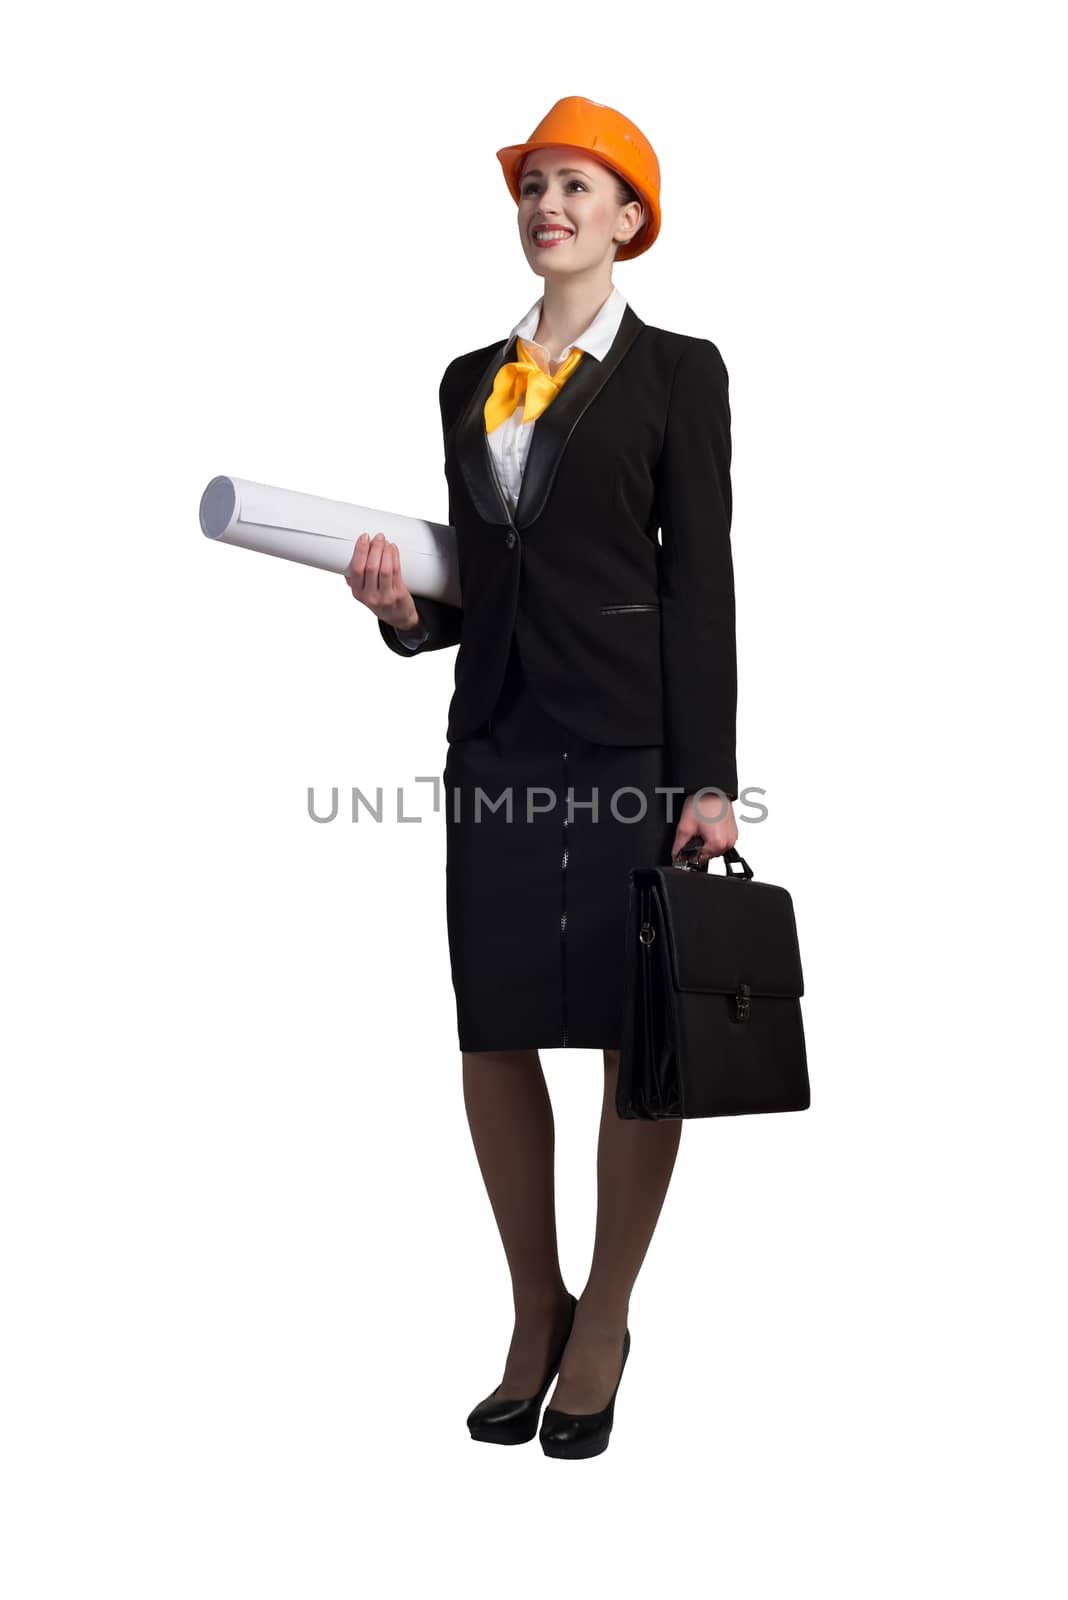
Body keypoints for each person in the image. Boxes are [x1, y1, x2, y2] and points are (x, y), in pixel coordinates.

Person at [344, 96, 738, 1460]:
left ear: (630, 219)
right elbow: (479, 582)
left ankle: (607, 1315)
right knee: (493, 1024)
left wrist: (708, 781)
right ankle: (534, 1307)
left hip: (630, 740)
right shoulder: (468, 379)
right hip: (498, 738)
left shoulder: (681, 373)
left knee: (641, 1031)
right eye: (534, 187)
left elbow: (699, 584)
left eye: (576, 186)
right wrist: (403, 608)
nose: (547, 205)